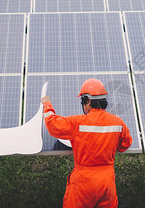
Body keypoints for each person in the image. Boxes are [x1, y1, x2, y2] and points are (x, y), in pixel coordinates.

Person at [41, 78, 132, 208]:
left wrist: (47, 104)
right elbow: (125, 144)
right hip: (107, 181)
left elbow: (52, 124)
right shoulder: (118, 122)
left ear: (88, 101)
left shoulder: (77, 123)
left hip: (84, 181)